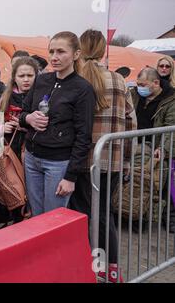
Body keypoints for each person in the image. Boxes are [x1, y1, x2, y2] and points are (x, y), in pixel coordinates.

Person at [69, 29, 137, 283]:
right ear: (102, 50)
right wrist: (127, 159)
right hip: (113, 160)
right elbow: (132, 123)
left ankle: (90, 269)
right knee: (104, 215)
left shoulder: (76, 78)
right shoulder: (119, 81)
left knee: (84, 216)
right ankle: (111, 270)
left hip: (82, 161)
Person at [18, 31, 95, 216]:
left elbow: (83, 136)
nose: (54, 57)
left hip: (58, 163)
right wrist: (28, 119)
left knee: (53, 220)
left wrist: (70, 177)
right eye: (51, 51)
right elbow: (22, 112)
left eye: (61, 52)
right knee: (36, 217)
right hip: (31, 158)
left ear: (76, 54)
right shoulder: (42, 80)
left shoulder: (83, 89)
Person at [132, 67, 175, 234]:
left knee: (150, 184)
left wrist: (163, 148)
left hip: (154, 148)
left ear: (155, 83)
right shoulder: (135, 95)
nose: (139, 87)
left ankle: (143, 216)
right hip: (133, 144)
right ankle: (129, 212)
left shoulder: (170, 99)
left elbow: (170, 126)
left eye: (143, 84)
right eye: (138, 84)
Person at [0, 56, 39, 158]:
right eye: (21, 76)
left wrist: (27, 126)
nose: (26, 79)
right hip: (9, 150)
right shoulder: (6, 97)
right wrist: (2, 128)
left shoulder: (40, 98)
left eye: (30, 75)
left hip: (33, 152)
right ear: (14, 77)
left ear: (36, 76)